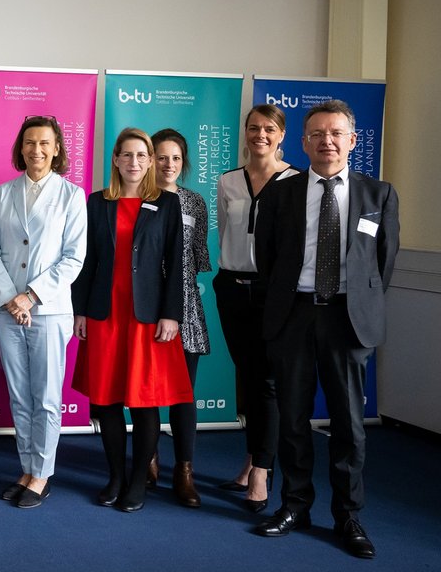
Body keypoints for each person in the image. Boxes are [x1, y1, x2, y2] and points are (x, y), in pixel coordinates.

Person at [254, 100, 399, 559]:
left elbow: (383, 262)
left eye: (336, 133)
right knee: (293, 417)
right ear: (303, 142)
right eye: (317, 134)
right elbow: (268, 258)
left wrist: (356, 300)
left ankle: (348, 514)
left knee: (349, 424)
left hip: (347, 317)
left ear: (352, 141)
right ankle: (295, 505)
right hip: (294, 313)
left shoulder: (378, 195)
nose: (327, 141)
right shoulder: (280, 193)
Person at [72, 128, 191, 513]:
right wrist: (80, 310)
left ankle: (139, 480)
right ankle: (116, 477)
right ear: (116, 160)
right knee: (106, 401)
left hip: (147, 317)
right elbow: (85, 263)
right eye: (127, 155)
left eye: (143, 155)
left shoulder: (167, 204)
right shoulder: (96, 203)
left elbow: (176, 266)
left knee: (144, 403)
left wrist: (172, 314)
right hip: (105, 314)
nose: (135, 163)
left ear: (151, 160)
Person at [0, 117, 87, 508]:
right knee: (19, 397)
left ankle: (42, 475)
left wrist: (31, 297)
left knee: (45, 396)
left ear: (57, 147)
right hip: (6, 309)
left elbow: (74, 258)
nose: (37, 150)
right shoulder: (4, 193)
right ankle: (26, 469)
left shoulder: (71, 195)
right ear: (21, 147)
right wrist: (11, 297)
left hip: (49, 310)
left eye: (45, 143)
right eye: (30, 143)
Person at [214, 104, 297, 512]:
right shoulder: (227, 181)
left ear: (281, 135)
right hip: (231, 287)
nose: (259, 135)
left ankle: (262, 472)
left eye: (268, 129)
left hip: (272, 292)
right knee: (246, 376)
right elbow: (226, 233)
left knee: (265, 380)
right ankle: (251, 459)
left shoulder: (296, 181)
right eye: (252, 128)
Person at [151, 128, 211, 508]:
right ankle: (148, 460)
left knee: (183, 395)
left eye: (175, 158)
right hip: (145, 307)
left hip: (186, 308)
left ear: (183, 162)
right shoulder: (140, 199)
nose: (168, 164)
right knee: (147, 393)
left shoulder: (195, 203)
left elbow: (199, 259)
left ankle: (184, 470)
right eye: (161, 157)